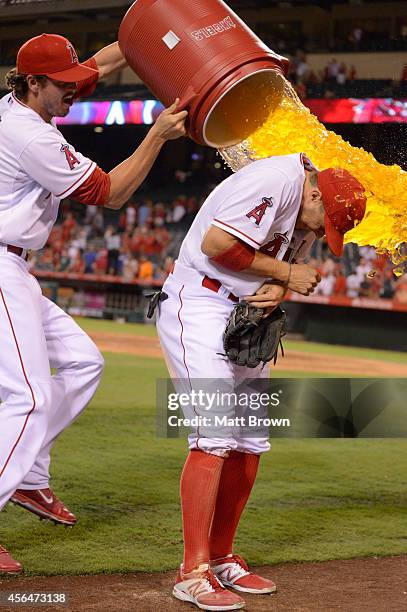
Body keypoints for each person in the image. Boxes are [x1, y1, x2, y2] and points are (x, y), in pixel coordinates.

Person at [0, 33, 187, 574]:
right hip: (2, 265)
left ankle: (28, 479)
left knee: (84, 361)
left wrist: (145, 26)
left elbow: (100, 62)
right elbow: (111, 194)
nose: (74, 94)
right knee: (30, 397)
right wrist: (155, 137)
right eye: (62, 86)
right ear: (33, 83)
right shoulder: (30, 134)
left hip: (17, 266)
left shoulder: (24, 102)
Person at [155, 154, 366, 611]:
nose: (318, 231)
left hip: (243, 312)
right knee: (212, 435)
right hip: (201, 303)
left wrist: (278, 288)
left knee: (250, 439)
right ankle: (192, 572)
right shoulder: (276, 181)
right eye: (323, 219)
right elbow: (216, 244)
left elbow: (278, 262)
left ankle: (221, 555)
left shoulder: (307, 205)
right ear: (314, 193)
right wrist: (286, 274)